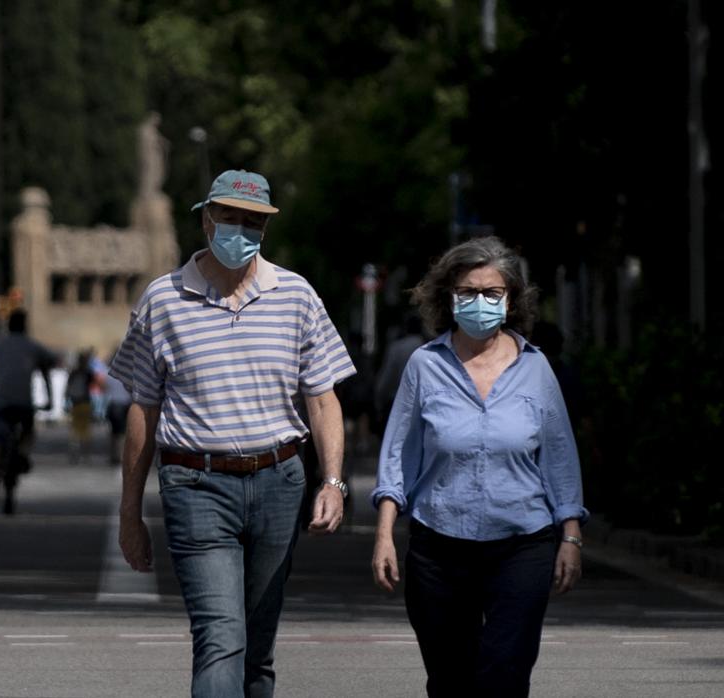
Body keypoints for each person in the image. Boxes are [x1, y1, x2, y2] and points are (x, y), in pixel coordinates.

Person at [110, 170, 355, 696]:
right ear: (206, 221)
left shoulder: (296, 295)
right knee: (221, 638)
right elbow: (143, 409)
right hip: (195, 486)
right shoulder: (162, 300)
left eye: (253, 222)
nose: (240, 231)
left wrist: (332, 481)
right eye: (230, 219)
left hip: (279, 483)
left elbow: (322, 396)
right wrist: (130, 511)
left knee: (257, 650)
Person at [370, 236, 587, 697]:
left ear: (510, 301)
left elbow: (560, 457)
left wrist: (570, 535)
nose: (480, 302)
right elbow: (397, 455)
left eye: (492, 293)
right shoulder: (424, 366)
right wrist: (384, 535)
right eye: (469, 292)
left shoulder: (536, 368)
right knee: (450, 680)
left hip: (521, 544)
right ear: (449, 298)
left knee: (504, 676)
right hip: (439, 548)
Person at [0, 308, 55, 515]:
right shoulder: (32, 346)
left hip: (1, 403)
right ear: (25, 325)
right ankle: (23, 452)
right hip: (24, 404)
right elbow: (46, 369)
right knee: (28, 431)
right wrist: (48, 399)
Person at [373, 312, 427, 431]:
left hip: (398, 402)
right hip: (423, 404)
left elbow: (387, 377)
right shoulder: (428, 347)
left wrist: (379, 401)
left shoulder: (397, 348)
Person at [101, 348, 131, 466]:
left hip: (113, 404)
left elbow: (104, 387)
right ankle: (121, 456)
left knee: (113, 433)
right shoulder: (128, 374)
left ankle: (114, 455)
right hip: (124, 404)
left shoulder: (110, 373)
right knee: (123, 433)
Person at [65, 349, 96, 464]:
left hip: (75, 403)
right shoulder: (88, 372)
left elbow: (68, 388)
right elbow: (93, 383)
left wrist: (66, 401)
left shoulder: (73, 372)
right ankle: (86, 454)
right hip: (85, 403)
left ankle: (74, 452)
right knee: (86, 429)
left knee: (75, 429)